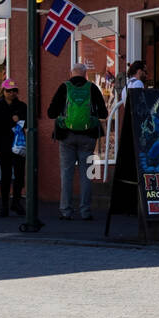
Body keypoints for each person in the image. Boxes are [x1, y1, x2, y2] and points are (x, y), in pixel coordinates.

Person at [46, 62, 108, 220]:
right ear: (85, 74)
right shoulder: (92, 88)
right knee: (86, 175)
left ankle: (66, 210)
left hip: (66, 136)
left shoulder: (64, 87)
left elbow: (51, 113)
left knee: (66, 173)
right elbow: (103, 113)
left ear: (71, 73)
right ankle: (85, 211)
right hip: (88, 137)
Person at [0, 78, 27, 217]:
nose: (12, 93)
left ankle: (16, 202)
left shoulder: (22, 106)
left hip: (18, 145)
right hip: (3, 145)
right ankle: (4, 204)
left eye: (14, 90)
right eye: (9, 90)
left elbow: (28, 123)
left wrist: (19, 121)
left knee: (19, 175)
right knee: (5, 175)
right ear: (3, 91)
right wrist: (11, 122)